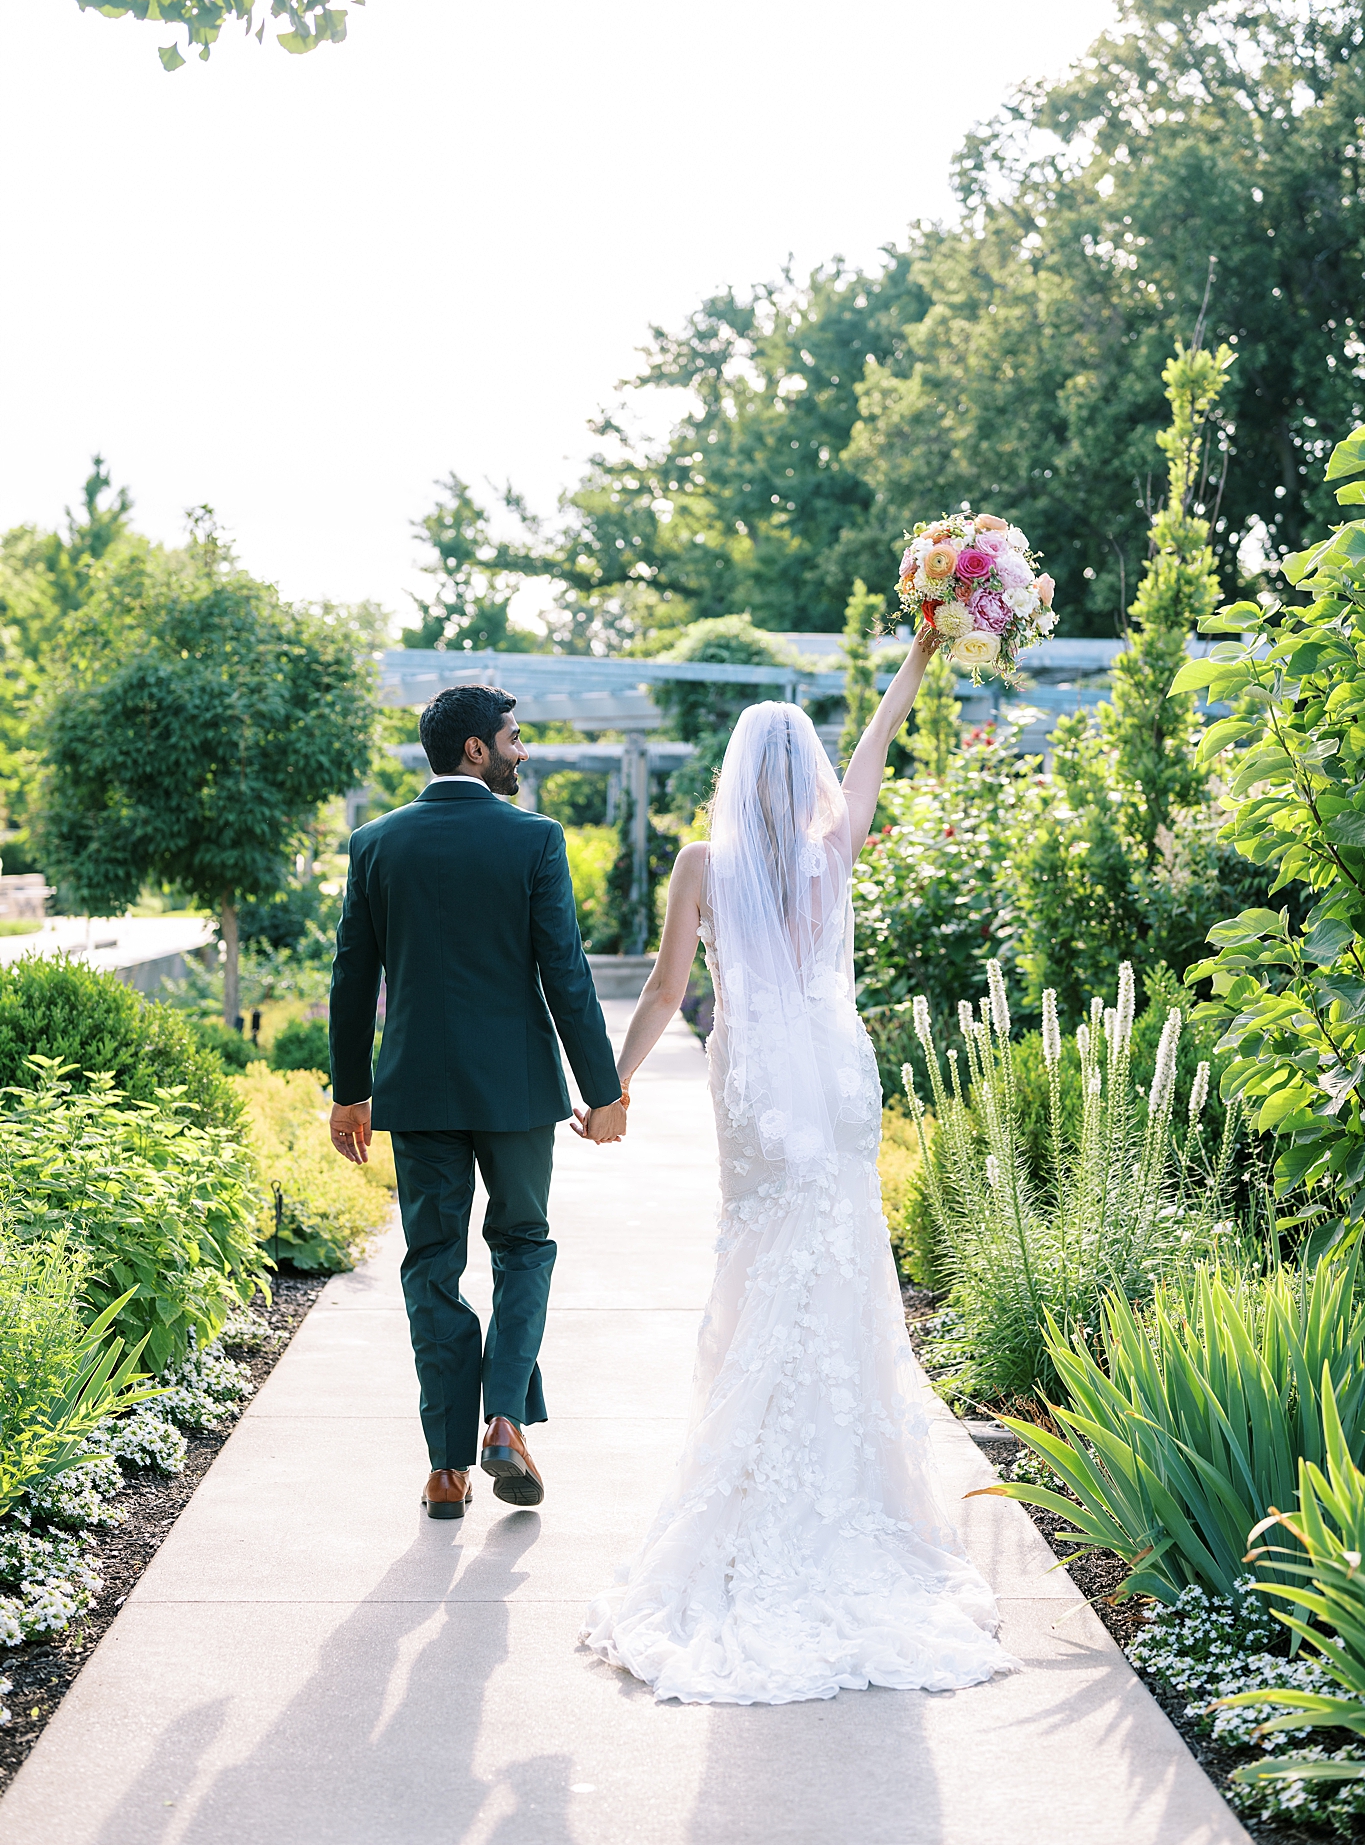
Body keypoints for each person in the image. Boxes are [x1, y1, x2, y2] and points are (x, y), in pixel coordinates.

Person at [581, 639, 1017, 1704]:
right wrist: (914, 654)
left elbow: (663, 992)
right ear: (806, 776)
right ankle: (847, 1501)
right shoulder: (836, 844)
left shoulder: (699, 865)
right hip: (833, 1076)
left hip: (759, 1088)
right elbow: (879, 741)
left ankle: (750, 1500)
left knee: (758, 1263)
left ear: (733, 776)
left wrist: (609, 1087)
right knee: (838, 1262)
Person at [328, 684, 626, 1523]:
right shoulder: (533, 839)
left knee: (432, 1266)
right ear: (474, 750)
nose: (521, 752)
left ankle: (445, 1471)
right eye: (514, 738)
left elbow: (353, 980)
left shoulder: (375, 843)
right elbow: (563, 973)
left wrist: (350, 1092)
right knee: (523, 1246)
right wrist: (601, 1094)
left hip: (416, 1091)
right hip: (517, 1090)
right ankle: (504, 1424)